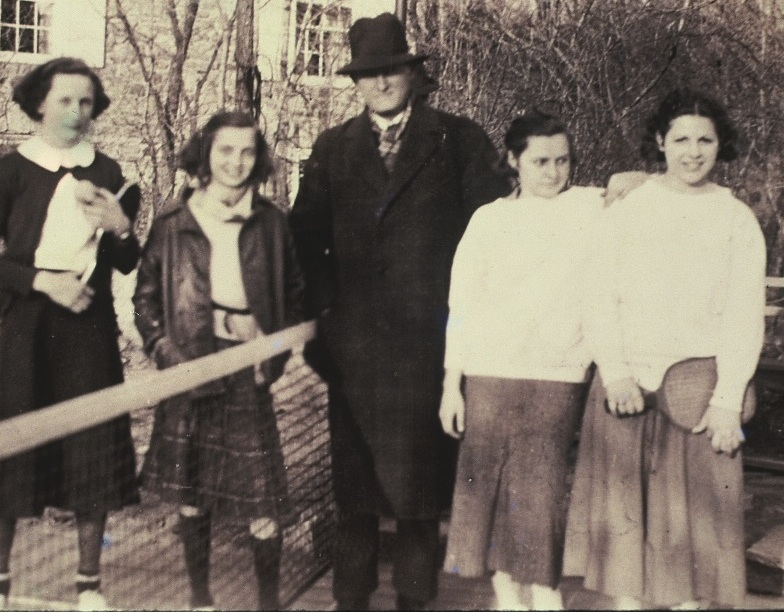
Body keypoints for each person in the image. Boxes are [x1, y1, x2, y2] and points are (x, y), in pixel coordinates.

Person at [289, 13, 512, 610]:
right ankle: (350, 601)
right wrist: (324, 321)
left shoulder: (458, 141)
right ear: (356, 83)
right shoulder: (332, 148)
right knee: (355, 499)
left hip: (429, 351)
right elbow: (305, 240)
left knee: (419, 500)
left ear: (411, 75)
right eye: (369, 74)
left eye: (391, 70)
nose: (382, 82)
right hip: (354, 356)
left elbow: (496, 236)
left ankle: (415, 602)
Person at [563, 89, 766, 609]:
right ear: (660, 141)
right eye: (680, 139)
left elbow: (744, 315)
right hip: (627, 389)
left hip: (699, 398)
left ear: (721, 145)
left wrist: (727, 399)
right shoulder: (628, 209)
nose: (693, 152)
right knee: (623, 538)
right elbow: (598, 297)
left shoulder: (736, 219)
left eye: (705, 140)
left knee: (694, 543)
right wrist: (616, 373)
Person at [0, 57, 141, 611]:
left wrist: (122, 229)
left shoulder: (109, 171)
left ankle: (88, 585)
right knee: (10, 447)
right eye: (65, 100)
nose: (76, 112)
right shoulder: (8, 171)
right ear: (39, 103)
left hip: (89, 327)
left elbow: (126, 260)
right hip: (27, 326)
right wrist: (43, 282)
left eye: (86, 102)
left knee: (93, 448)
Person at [132, 111, 304, 611]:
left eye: (247, 152)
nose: (236, 162)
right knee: (192, 495)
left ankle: (268, 603)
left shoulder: (273, 222)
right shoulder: (173, 221)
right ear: (205, 154)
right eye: (225, 150)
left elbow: (295, 295)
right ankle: (200, 601)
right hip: (189, 368)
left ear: (259, 158)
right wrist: (169, 357)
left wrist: (270, 349)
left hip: (248, 369)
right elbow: (144, 301)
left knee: (262, 502)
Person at [439, 110, 600, 611]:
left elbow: (642, 189)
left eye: (562, 160)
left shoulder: (590, 207)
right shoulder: (489, 220)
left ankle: (545, 589)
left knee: (541, 487)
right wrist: (451, 385)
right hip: (489, 373)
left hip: (558, 373)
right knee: (486, 484)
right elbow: (462, 305)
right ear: (514, 161)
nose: (553, 172)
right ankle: (506, 589)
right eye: (540, 161)